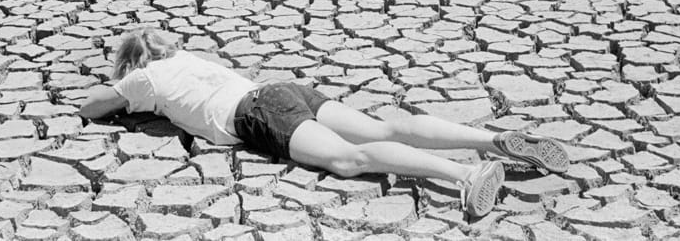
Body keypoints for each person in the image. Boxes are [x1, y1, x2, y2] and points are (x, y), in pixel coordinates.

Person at [78, 27, 569, 219]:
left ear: (135, 61)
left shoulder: (147, 78)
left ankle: (466, 175)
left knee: (348, 160)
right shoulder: (194, 59)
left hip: (254, 114)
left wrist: (122, 90)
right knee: (383, 128)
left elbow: (93, 106)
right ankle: (495, 140)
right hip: (279, 89)